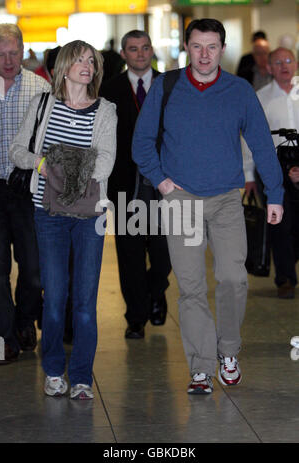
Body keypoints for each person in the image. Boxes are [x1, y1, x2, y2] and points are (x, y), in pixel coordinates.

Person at [132, 18, 284, 395]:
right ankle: (200, 367)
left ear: (222, 48)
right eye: (197, 46)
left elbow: (263, 144)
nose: (204, 54)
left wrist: (275, 194)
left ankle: (228, 352)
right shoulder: (166, 87)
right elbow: (141, 142)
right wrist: (163, 182)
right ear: (187, 47)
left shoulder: (238, 91)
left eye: (212, 47)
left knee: (233, 278)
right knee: (191, 287)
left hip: (226, 199)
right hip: (180, 200)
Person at [9, 40, 117, 399]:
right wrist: (43, 164)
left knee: (85, 301)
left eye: (92, 61)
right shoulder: (42, 105)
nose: (87, 65)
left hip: (89, 217)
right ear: (64, 66)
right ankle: (54, 370)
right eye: (80, 59)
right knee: (54, 297)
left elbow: (105, 164)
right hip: (48, 214)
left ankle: (83, 377)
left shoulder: (106, 111)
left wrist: (59, 166)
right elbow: (18, 150)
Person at [100, 30, 171, 340]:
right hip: (125, 184)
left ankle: (157, 290)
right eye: (133, 49)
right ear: (124, 53)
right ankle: (136, 316)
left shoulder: (170, 86)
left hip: (165, 183)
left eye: (144, 48)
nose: (140, 54)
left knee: (163, 252)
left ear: (151, 50)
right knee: (130, 253)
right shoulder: (109, 89)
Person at [0, 24, 51, 364]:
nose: (7, 61)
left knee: (33, 271)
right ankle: (6, 337)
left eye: (13, 53)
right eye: (0, 54)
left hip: (26, 190)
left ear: (23, 51)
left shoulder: (40, 88)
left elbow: (52, 143)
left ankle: (23, 321)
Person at [243, 47, 299, 299]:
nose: (284, 66)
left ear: (296, 64)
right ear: (269, 68)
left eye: (288, 61)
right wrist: (249, 175)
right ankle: (285, 277)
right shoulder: (261, 97)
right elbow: (249, 139)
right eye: (278, 62)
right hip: (272, 165)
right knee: (280, 225)